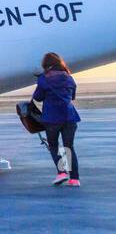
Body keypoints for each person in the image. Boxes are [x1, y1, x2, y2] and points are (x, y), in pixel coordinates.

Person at [31, 52, 81, 187]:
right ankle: (74, 179)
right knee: (68, 147)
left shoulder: (43, 79)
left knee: (54, 146)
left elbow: (37, 97)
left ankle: (62, 172)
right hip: (69, 117)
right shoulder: (69, 78)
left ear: (46, 66)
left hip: (52, 118)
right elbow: (72, 96)